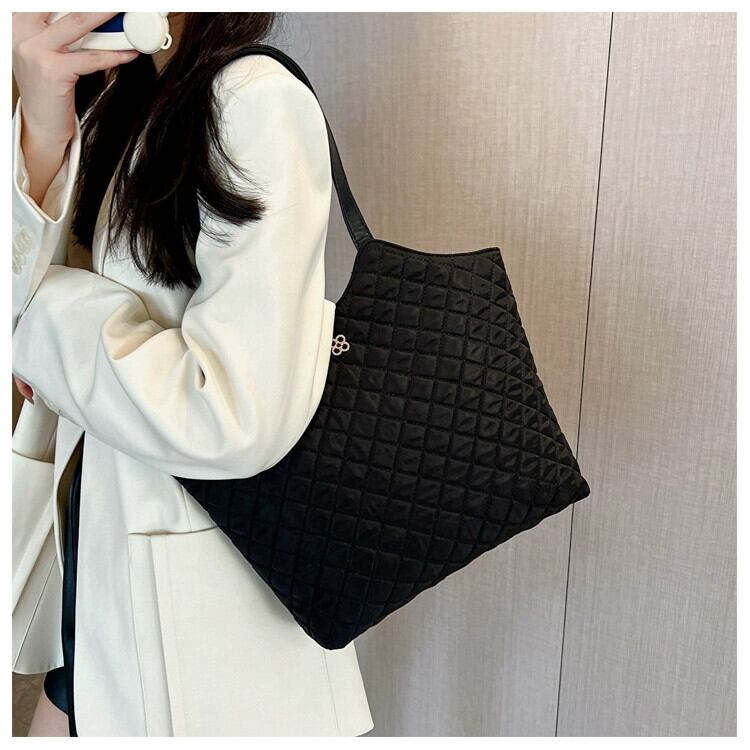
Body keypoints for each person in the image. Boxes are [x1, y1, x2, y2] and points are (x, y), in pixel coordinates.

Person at [11, 11, 374, 737]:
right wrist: (43, 135)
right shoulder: (116, 103)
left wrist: (41, 326)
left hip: (205, 645)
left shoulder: (251, 102)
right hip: (104, 595)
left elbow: (233, 415)